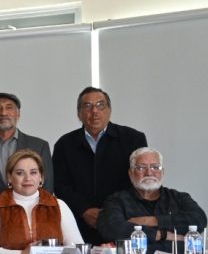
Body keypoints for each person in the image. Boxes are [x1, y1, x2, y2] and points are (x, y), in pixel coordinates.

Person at [53, 87, 148, 244]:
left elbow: (139, 179)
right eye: (88, 106)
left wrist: (111, 211)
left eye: (100, 105)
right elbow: (61, 185)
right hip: (79, 224)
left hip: (123, 221)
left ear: (109, 110)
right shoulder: (65, 144)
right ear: (79, 113)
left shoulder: (133, 139)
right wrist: (84, 210)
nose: (94, 111)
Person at [98, 147, 208, 254]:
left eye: (155, 167)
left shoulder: (179, 197)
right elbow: (112, 230)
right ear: (131, 173)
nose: (149, 173)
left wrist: (151, 221)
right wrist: (163, 235)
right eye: (141, 167)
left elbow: (199, 220)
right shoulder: (116, 201)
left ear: (163, 172)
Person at [0, 149, 82, 254]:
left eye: (33, 172)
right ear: (9, 177)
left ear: (41, 177)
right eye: (20, 173)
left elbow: (77, 248)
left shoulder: (58, 205)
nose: (27, 178)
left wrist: (49, 253)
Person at [0, 93, 54, 206]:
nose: (3, 113)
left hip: (31, 217)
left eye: (9, 107)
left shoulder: (39, 146)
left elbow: (47, 187)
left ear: (18, 114)